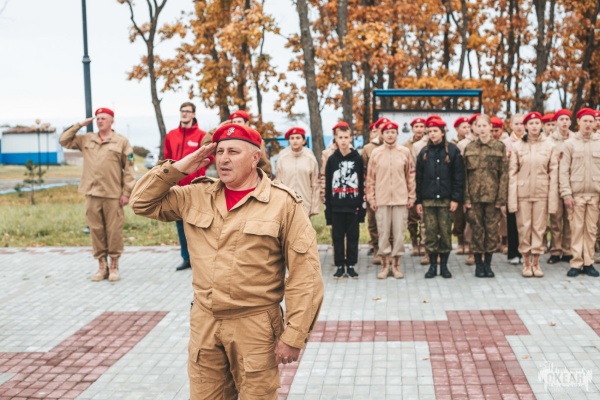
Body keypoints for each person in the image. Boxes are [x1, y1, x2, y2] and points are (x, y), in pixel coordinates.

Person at [130, 123, 324, 399]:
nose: (223, 158)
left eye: (233, 151)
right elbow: (141, 202)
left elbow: (306, 274)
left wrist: (294, 335)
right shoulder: (196, 195)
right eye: (219, 151)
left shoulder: (283, 203)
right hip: (205, 323)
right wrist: (181, 167)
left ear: (255, 157)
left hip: (255, 325)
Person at [59, 108, 135, 282]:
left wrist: (127, 193)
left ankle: (114, 266)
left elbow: (130, 169)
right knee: (96, 231)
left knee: (114, 231)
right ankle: (102, 266)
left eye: (103, 118)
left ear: (112, 121)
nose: (100, 121)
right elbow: (64, 140)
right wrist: (79, 124)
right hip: (92, 193)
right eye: (98, 118)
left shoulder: (121, 141)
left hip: (113, 194)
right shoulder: (87, 139)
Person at [508, 112, 558, 277]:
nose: (534, 126)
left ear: (541, 125)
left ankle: (536, 263)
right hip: (522, 194)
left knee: (539, 228)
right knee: (524, 228)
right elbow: (512, 175)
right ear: (526, 126)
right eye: (531, 123)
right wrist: (512, 201)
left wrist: (552, 201)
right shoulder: (517, 146)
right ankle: (526, 262)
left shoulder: (549, 146)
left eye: (537, 123)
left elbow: (554, 174)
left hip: (541, 194)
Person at [164, 102, 212, 271]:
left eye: (188, 111)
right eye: (182, 111)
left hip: (195, 187)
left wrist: (196, 173)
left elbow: (209, 158)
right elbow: (167, 159)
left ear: (193, 114)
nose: (184, 114)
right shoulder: (171, 135)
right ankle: (186, 258)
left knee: (198, 223)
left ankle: (201, 257)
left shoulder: (201, 135)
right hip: (176, 188)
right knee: (180, 224)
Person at [415, 119, 464, 279]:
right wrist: (418, 201)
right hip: (428, 200)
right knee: (430, 233)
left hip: (445, 200)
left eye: (435, 131)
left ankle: (443, 266)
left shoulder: (453, 151)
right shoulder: (424, 152)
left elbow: (458, 177)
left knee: (445, 233)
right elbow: (418, 178)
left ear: (442, 132)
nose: (432, 134)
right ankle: (432, 266)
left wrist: (455, 198)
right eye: (430, 131)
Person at [367, 120, 415, 279]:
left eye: (393, 132)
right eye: (387, 132)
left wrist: (411, 196)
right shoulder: (376, 153)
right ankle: (384, 266)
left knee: (399, 233)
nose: (390, 135)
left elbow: (410, 176)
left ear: (397, 134)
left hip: (400, 199)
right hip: (381, 199)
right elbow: (370, 178)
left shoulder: (404, 152)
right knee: (383, 233)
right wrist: (371, 198)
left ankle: (396, 266)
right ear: (382, 134)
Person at [464, 115, 508, 278]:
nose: (482, 129)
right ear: (474, 128)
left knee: (491, 231)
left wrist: (501, 198)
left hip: (492, 197)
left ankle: (488, 265)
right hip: (474, 197)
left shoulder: (499, 147)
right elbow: (464, 175)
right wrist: (466, 198)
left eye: (484, 126)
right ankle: (478, 264)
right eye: (479, 126)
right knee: (476, 230)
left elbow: (504, 174)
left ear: (490, 127)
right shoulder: (469, 148)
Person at [560, 108, 600, 278]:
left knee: (591, 230)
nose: (588, 124)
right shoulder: (569, 144)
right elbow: (563, 171)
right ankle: (576, 262)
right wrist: (566, 194)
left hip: (595, 195)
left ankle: (588, 263)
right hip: (576, 196)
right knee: (576, 229)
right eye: (585, 121)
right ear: (578, 122)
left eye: (591, 121)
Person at [325, 121, 366, 279]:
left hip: (353, 206)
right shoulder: (332, 160)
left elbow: (361, 184)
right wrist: (328, 209)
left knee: (353, 237)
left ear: (351, 138)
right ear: (335, 139)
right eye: (340, 137)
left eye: (346, 137)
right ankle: (340, 265)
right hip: (336, 207)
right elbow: (328, 185)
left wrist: (361, 208)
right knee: (337, 237)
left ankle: (351, 264)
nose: (343, 140)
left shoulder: (357, 159)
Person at [201, 110, 273, 177]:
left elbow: (264, 165)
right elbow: (205, 146)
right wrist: (217, 129)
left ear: (247, 123)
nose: (236, 124)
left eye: (239, 121)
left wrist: (262, 183)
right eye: (234, 122)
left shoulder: (255, 140)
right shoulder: (225, 140)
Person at [547, 109, 574, 264]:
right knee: (556, 219)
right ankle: (555, 250)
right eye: (561, 119)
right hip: (555, 183)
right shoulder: (549, 140)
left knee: (569, 219)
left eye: (566, 119)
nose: (564, 122)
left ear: (570, 122)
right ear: (556, 122)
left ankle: (568, 250)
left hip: (571, 183)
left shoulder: (575, 138)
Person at [275, 127, 320, 217]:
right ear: (289, 140)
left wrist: (314, 207)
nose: (295, 141)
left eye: (298, 138)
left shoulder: (310, 158)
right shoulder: (283, 157)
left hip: (305, 202)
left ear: (303, 141)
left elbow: (315, 184)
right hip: (286, 203)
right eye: (292, 138)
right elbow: (278, 182)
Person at [403, 117, 427, 260]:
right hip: (411, 184)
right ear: (412, 129)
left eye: (421, 126)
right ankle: (414, 242)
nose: (419, 129)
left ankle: (423, 244)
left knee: (424, 216)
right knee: (412, 217)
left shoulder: (427, 143)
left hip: (424, 184)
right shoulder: (405, 146)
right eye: (416, 126)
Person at [504, 114, 525, 265]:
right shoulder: (506, 143)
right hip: (511, 185)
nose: (519, 126)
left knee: (526, 221)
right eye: (516, 123)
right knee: (512, 220)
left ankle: (525, 251)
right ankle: (513, 253)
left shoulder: (530, 141)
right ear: (511, 125)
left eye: (522, 123)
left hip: (526, 184)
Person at [362, 122, 383, 264]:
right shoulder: (368, 148)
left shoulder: (397, 148)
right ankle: (376, 248)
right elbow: (363, 170)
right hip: (372, 190)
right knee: (373, 221)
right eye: (376, 130)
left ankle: (387, 250)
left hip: (388, 190)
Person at [452, 117, 471, 255]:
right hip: (457, 183)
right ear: (457, 129)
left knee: (469, 215)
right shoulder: (452, 144)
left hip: (470, 183)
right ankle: (460, 241)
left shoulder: (472, 143)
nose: (467, 129)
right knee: (458, 216)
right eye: (463, 127)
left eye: (468, 127)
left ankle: (468, 242)